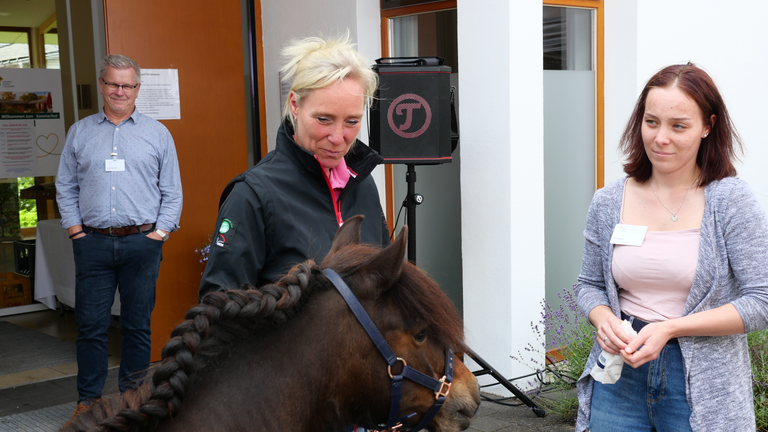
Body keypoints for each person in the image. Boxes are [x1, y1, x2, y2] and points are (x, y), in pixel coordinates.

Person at [574, 63, 768, 431]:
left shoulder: (730, 201)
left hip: (701, 382)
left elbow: (762, 300)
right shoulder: (608, 200)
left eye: (678, 126)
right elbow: (589, 285)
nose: (661, 138)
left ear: (708, 127)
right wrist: (604, 321)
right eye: (651, 122)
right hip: (619, 375)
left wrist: (670, 329)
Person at [198, 34, 389, 298]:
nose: (338, 137)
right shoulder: (252, 195)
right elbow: (218, 309)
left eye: (351, 122)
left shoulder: (363, 183)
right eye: (324, 119)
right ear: (295, 105)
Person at [56, 54, 183, 419]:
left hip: (141, 243)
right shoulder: (80, 132)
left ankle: (133, 396)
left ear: (138, 89)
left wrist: (159, 233)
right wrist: (75, 230)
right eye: (113, 83)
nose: (119, 91)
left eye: (127, 85)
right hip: (92, 243)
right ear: (102, 84)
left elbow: (172, 191)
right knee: (91, 326)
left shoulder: (158, 134)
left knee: (137, 325)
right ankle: (89, 400)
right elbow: (65, 185)